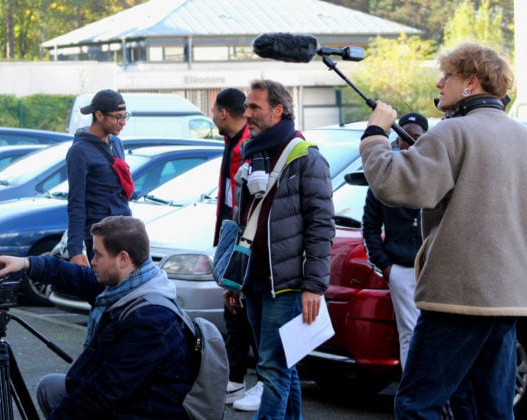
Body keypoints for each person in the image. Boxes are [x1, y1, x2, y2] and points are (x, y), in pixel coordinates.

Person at [359, 42, 527, 418]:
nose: (439, 83)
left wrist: (374, 133)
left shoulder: (452, 133)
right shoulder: (522, 137)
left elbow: (394, 183)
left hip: (458, 294)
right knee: (492, 407)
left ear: (470, 82)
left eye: (447, 76)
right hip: (508, 296)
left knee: (418, 403)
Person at [0, 216, 197, 419]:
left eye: (98, 254)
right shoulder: (129, 283)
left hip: (146, 411)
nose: (92, 261)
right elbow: (75, 276)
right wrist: (26, 263)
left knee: (77, 398)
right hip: (130, 397)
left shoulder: (151, 320)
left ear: (122, 258)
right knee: (52, 387)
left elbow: (102, 392)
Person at [223, 79, 335, 418]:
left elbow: (321, 228)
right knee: (284, 366)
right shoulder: (253, 154)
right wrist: (235, 282)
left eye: (254, 107)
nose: (247, 114)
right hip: (254, 281)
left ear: (278, 110)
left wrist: (314, 286)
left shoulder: (306, 158)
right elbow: (244, 226)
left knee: (272, 369)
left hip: (285, 284)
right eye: (246, 107)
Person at [361, 112, 427, 370]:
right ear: (396, 142)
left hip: (433, 268)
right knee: (409, 332)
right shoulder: (384, 177)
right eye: (403, 137)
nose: (408, 143)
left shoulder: (434, 171)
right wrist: (386, 265)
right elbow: (370, 226)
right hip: (400, 267)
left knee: (436, 333)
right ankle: (415, 396)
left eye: (416, 137)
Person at [211, 87, 262, 410]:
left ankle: (254, 382)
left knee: (248, 309)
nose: (212, 116)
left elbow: (247, 201)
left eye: (213, 111)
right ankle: (236, 378)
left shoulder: (248, 145)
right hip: (235, 234)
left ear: (223, 113)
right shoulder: (234, 143)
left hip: (247, 239)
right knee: (235, 309)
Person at [66, 89, 132, 267]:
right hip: (100, 236)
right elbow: (76, 202)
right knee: (105, 290)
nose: (123, 122)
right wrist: (75, 251)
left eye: (125, 116)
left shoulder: (116, 143)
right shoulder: (79, 152)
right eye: (118, 117)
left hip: (125, 229)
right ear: (99, 115)